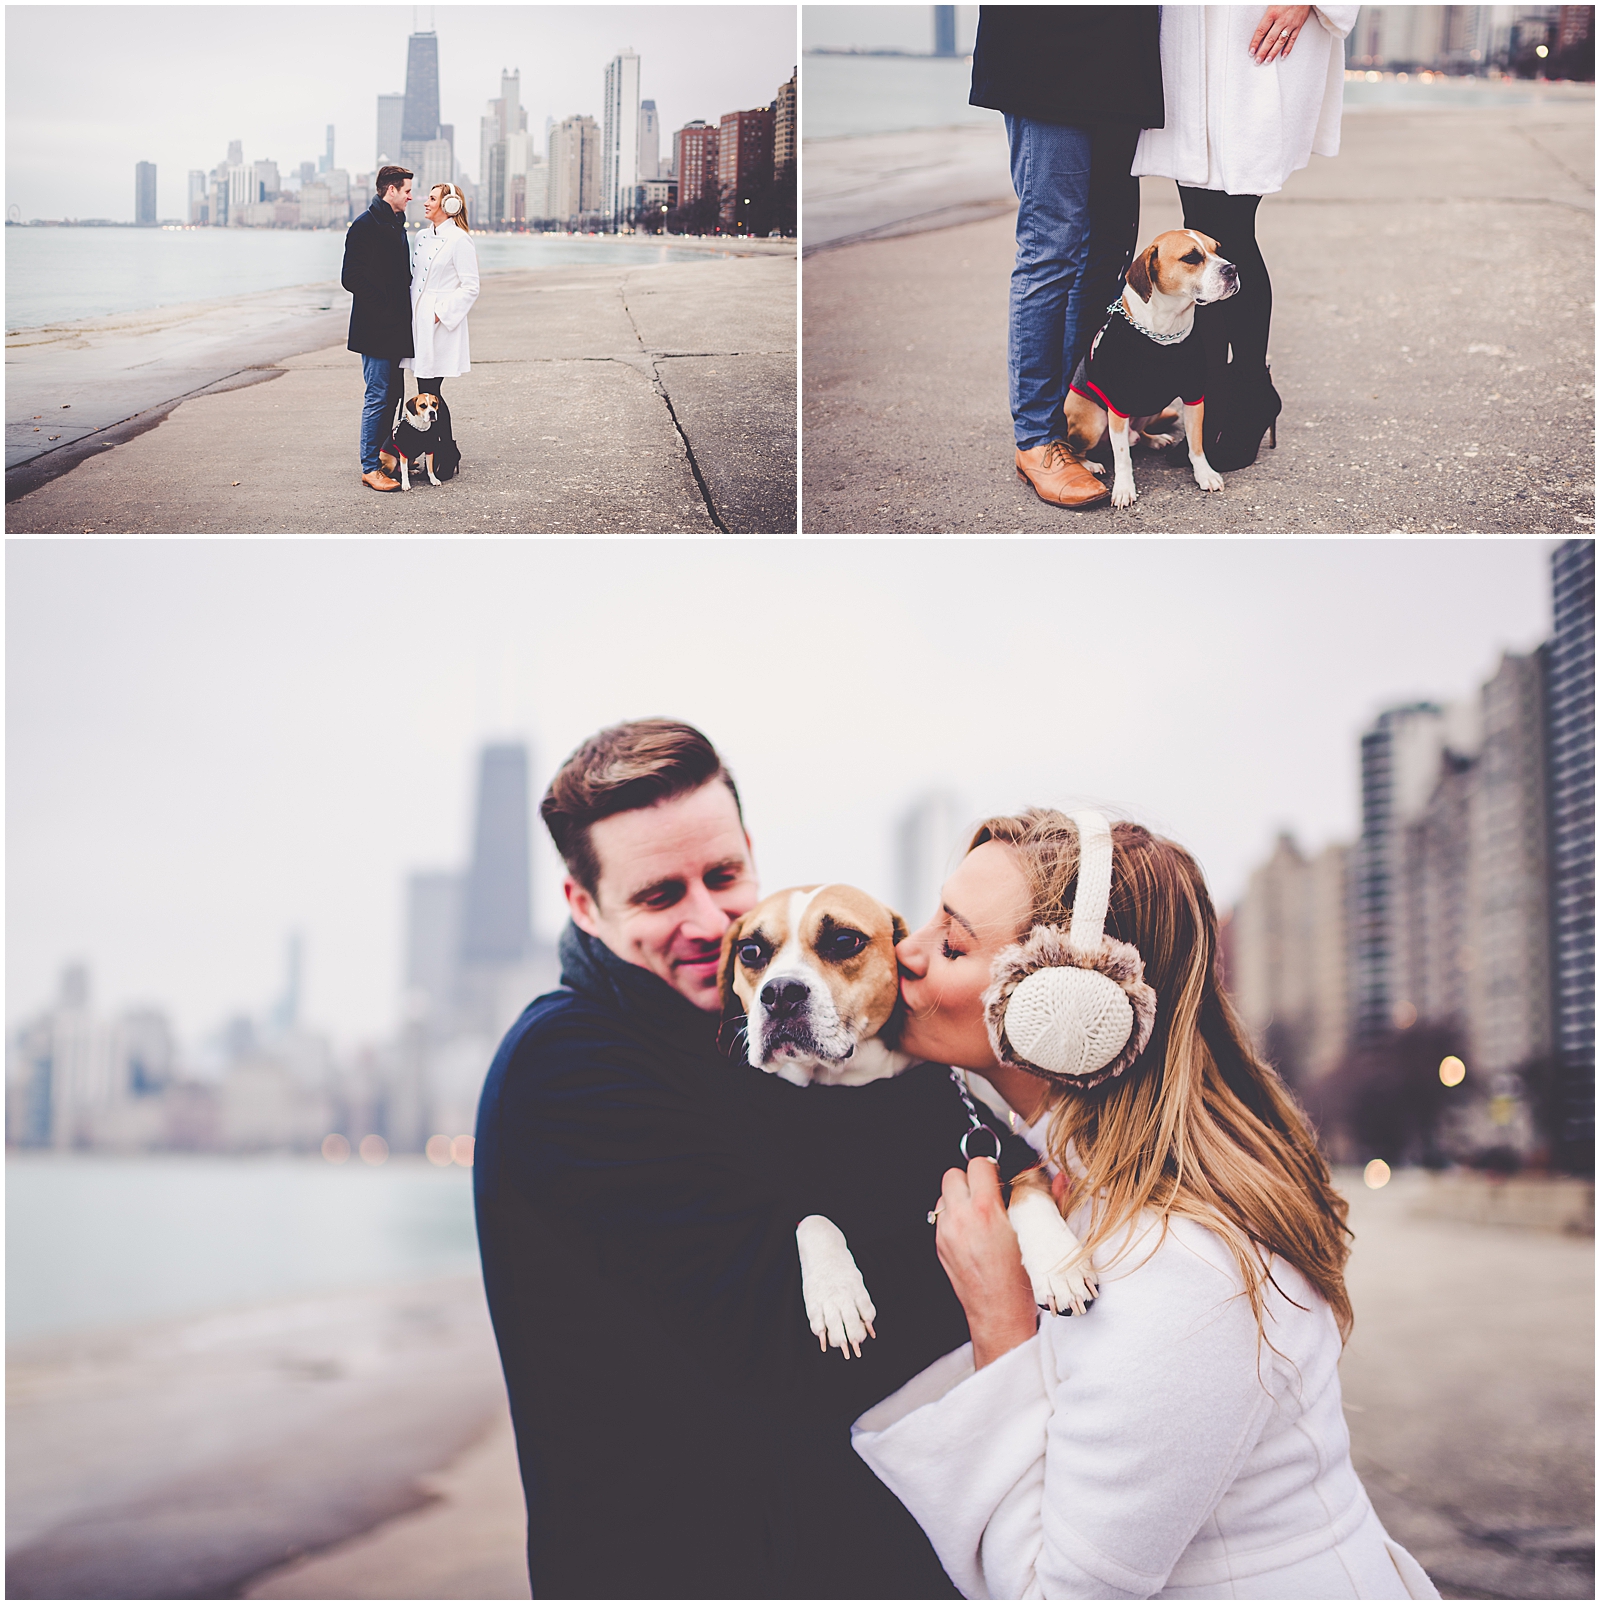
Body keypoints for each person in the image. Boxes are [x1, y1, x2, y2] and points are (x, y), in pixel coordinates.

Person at [473, 719, 1035, 1599]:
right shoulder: (569, 1068)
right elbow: (799, 1343)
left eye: (724, 875)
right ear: (584, 905)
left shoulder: (734, 1042)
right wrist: (1009, 1251)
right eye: (661, 895)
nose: (710, 920)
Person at [851, 809, 1442, 1599]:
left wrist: (1001, 1322)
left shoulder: (1181, 1263)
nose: (905, 954)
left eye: (952, 944)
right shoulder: (1082, 1187)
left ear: (1063, 1009)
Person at [1133, 5, 1360, 471]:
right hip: (1189, 31)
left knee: (1231, 228)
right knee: (1201, 219)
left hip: (1259, 25)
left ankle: (1250, 394)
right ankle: (1215, 399)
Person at [968, 6, 1164, 510]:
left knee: (1108, 249)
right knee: (1051, 248)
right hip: (1046, 49)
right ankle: (1036, 439)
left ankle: (1081, 405)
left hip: (1122, 56)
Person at [341, 165, 414, 493]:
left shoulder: (396, 223)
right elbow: (350, 277)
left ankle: (385, 457)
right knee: (378, 396)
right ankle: (370, 468)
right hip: (375, 328)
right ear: (391, 190)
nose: (411, 196)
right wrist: (384, 302)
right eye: (407, 190)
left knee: (392, 395)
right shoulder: (365, 225)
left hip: (395, 328)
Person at [402, 181, 480, 406]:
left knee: (430, 390)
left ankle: (444, 443)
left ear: (450, 205)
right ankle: (439, 442)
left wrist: (438, 314)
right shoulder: (421, 237)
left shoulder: (460, 239)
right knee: (424, 390)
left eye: (432, 199)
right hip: (417, 322)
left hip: (438, 324)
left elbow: (471, 286)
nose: (426, 203)